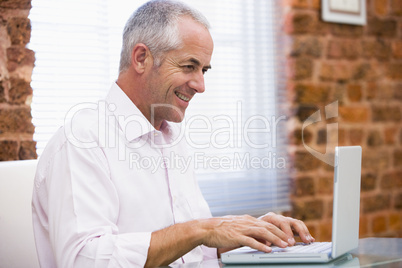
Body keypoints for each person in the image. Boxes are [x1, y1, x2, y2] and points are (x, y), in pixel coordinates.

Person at [32, 1, 314, 267]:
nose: (201, 85)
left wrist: (249, 232)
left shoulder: (170, 137)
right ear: (141, 58)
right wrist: (201, 229)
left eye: (204, 70)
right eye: (189, 66)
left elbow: (192, 248)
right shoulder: (82, 141)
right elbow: (85, 260)